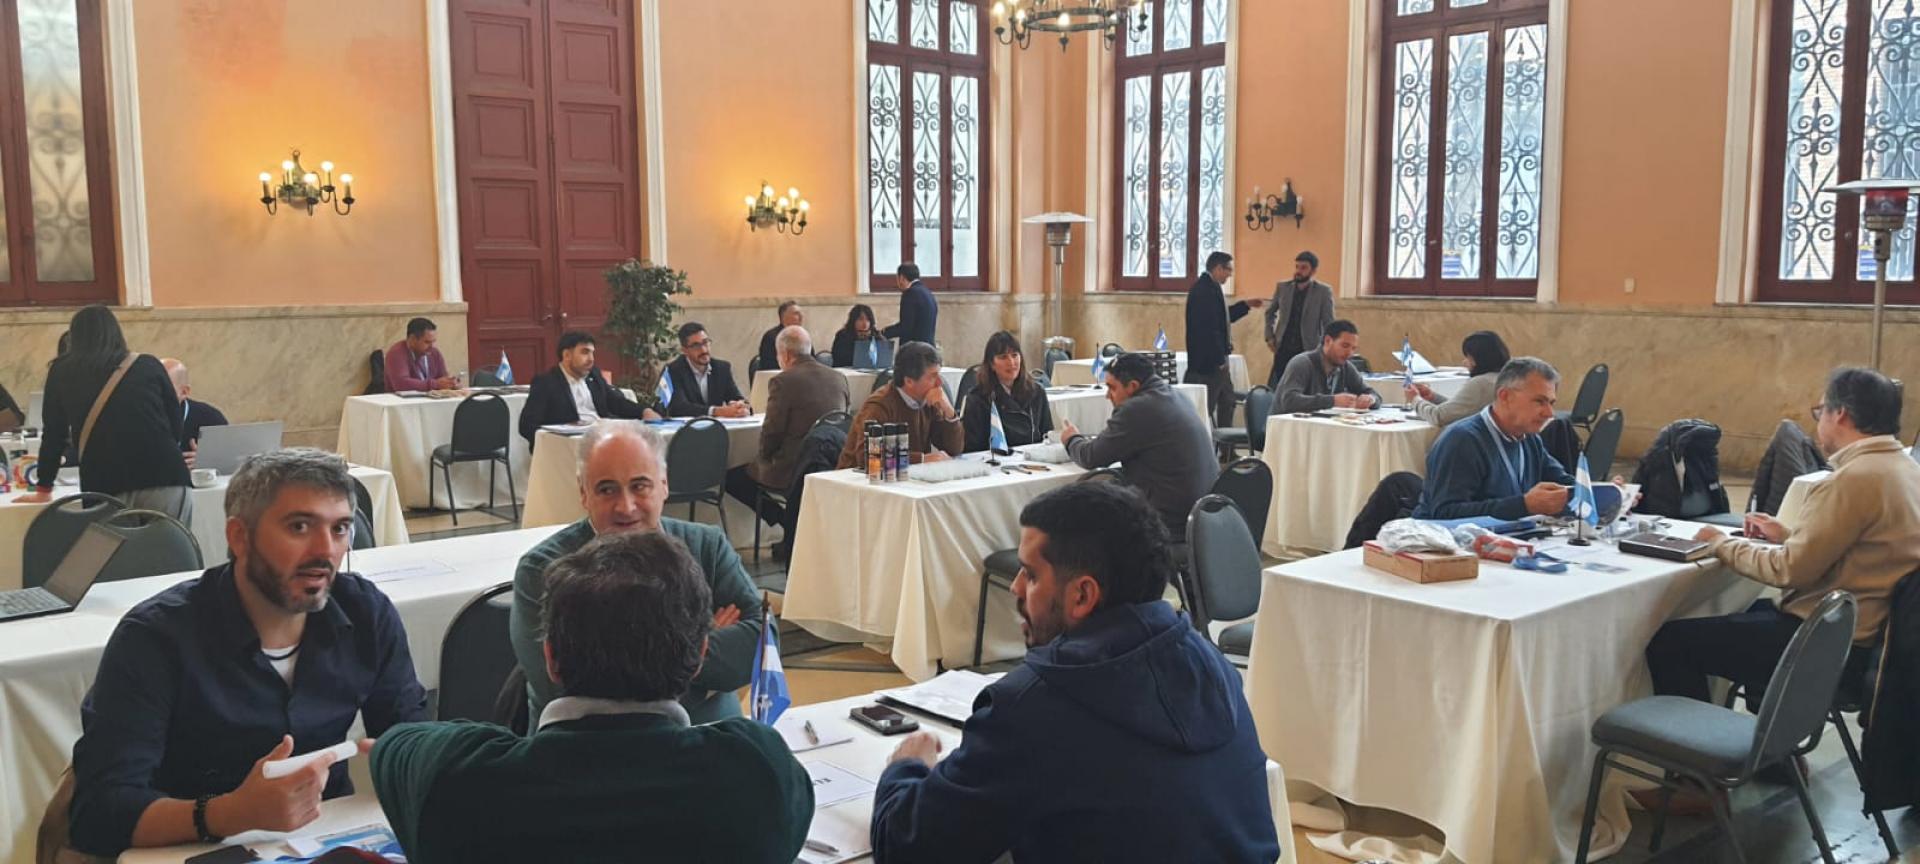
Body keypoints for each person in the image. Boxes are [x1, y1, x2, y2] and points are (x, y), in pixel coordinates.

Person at [870, 482, 1280, 863]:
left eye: (1031, 575)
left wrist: (905, 767)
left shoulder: (1033, 707)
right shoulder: (1214, 665)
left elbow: (908, 847)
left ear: (1082, 594)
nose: (1015, 587)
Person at [63, 449, 428, 858]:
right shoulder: (155, 638)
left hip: (328, 840)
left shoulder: (365, 613)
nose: (325, 549)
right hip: (189, 849)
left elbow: (409, 735)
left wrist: (418, 758)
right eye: (299, 526)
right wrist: (231, 813)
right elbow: (97, 814)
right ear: (239, 537)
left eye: (340, 528)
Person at [372, 531, 813, 863]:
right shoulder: (755, 772)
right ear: (699, 656)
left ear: (549, 657)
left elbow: (393, 744)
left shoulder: (457, 777)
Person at [1651, 368, 1920, 703]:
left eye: (1820, 412)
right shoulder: (1906, 469)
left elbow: (1788, 571)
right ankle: (1762, 730)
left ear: (1840, 414)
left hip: (1829, 644)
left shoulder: (1853, 479)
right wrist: (1789, 535)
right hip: (1874, 641)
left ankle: (1691, 737)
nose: (1818, 423)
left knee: (1670, 642)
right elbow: (1864, 549)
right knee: (1727, 613)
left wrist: (1720, 543)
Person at [510, 421, 764, 725]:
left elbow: (762, 646)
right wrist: (696, 643)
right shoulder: (542, 569)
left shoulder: (707, 547)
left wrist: (620, 654)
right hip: (586, 744)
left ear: (664, 485)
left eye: (639, 486)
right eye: (607, 489)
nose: (626, 507)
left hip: (711, 736)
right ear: (583, 493)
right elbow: (559, 688)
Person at [16, 305, 192, 521]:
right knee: (171, 543)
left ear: (75, 337)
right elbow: (174, 422)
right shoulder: (148, 364)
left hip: (105, 482)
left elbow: (54, 434)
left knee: (113, 544)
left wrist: (44, 488)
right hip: (165, 476)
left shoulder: (61, 371)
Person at [1060, 353, 1217, 534]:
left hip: (1169, 520)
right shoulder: (1176, 395)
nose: (1107, 396)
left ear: (1133, 386)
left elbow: (1090, 457)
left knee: (1084, 508)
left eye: (1112, 388)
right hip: (1202, 513)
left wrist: (1071, 439)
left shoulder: (1137, 409)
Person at [1410, 357, 1577, 520]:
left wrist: (1583, 490)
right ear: (1505, 396)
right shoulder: (1463, 440)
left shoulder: (1529, 438)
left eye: (1551, 403)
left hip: (1510, 535)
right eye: (1539, 401)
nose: (1549, 413)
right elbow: (1444, 512)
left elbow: (1564, 483)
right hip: (1442, 537)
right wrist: (1524, 505)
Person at [725, 325, 849, 527]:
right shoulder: (838, 377)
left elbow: (772, 432)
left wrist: (763, 457)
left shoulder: (783, 381)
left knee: (733, 477)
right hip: (831, 462)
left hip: (794, 466)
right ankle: (792, 523)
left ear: (786, 355)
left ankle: (784, 521)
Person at [836, 341, 963, 469]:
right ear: (909, 381)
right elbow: (867, 457)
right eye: (933, 377)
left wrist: (949, 411)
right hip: (854, 478)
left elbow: (954, 449)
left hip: (906, 476)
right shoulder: (879, 405)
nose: (939, 383)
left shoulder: (929, 401)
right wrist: (921, 459)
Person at [518, 331, 654, 446]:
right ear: (567, 355)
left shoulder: (593, 375)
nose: (591, 359)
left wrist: (644, 410)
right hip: (568, 445)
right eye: (585, 352)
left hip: (601, 438)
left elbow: (616, 402)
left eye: (592, 353)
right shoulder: (546, 382)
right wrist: (554, 440)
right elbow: (527, 426)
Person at [1185, 251, 1265, 427]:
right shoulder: (1204, 290)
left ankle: (1226, 443)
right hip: (1208, 363)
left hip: (1217, 360)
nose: (1230, 274)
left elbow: (1223, 317)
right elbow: (1209, 328)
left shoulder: (1212, 287)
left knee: (1228, 401)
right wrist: (1219, 359)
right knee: (1206, 407)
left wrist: (1246, 305)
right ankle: (1205, 441)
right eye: (1229, 269)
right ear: (1218, 268)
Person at [961, 331, 1053, 453]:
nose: (1011, 362)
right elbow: (972, 448)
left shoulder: (1037, 392)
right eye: (1003, 357)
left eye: (1015, 355)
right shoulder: (978, 398)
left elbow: (1048, 437)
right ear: (991, 364)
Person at [1404, 331, 1509, 428]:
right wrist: (1434, 398)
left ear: (1479, 358)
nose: (1464, 362)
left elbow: (1439, 417)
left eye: (1467, 357)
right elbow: (1461, 409)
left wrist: (1415, 399)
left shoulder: (1481, 383)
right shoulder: (1504, 378)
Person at [1274, 319, 1380, 414]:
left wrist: (1370, 399)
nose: (1349, 353)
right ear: (1328, 341)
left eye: (1353, 348)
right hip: (1288, 427)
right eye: (1345, 346)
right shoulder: (1302, 363)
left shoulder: (1346, 366)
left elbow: (1372, 393)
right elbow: (1289, 401)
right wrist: (1333, 401)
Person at [1264, 250, 1335, 389]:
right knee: (1280, 384)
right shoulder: (1283, 287)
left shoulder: (1323, 291)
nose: (1298, 271)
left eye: (1303, 268)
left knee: (1305, 385)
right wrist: (1269, 337)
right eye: (1297, 267)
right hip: (1283, 345)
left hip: (1308, 347)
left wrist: (1325, 347)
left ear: (1313, 271)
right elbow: (1270, 312)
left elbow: (1328, 322)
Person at [662, 322, 750, 418]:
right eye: (696, 346)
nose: (704, 350)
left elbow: (736, 397)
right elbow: (680, 407)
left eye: (705, 342)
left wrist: (739, 406)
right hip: (687, 426)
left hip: (717, 426)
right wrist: (716, 411)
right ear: (685, 351)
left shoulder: (722, 368)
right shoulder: (673, 371)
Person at [160, 358, 229, 466]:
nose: (155, 393)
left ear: (184, 392)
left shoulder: (210, 419)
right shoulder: (139, 416)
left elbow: (232, 462)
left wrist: (209, 462)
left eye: (164, 387)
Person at [384, 317, 457, 393]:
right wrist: (435, 384)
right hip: (403, 400)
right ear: (412, 339)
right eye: (427, 342)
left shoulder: (434, 353)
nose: (431, 346)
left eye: (433, 341)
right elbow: (401, 385)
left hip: (431, 398)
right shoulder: (396, 353)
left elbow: (443, 378)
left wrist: (452, 383)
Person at [883, 263, 938, 347]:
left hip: (914, 349)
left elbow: (906, 327)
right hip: (929, 347)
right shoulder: (927, 292)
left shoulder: (910, 294)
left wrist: (884, 333)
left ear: (901, 278)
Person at [756, 300, 804, 373]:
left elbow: (811, 361)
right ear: (783, 317)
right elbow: (769, 366)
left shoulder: (803, 336)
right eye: (796, 313)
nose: (801, 317)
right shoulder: (771, 337)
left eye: (801, 313)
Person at [832, 303, 880, 368]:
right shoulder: (842, 335)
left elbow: (883, 354)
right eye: (861, 319)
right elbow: (840, 358)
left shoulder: (875, 334)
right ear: (853, 320)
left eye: (868, 320)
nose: (865, 323)